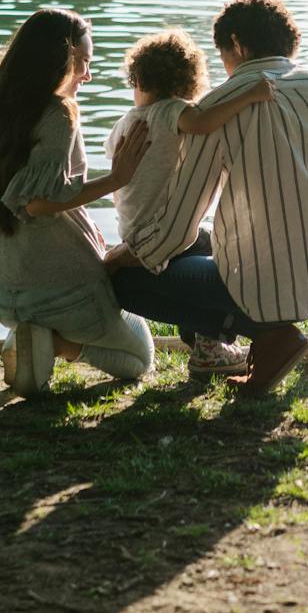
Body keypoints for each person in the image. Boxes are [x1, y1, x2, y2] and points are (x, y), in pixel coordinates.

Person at [108, 0, 308, 396]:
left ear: (236, 45)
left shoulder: (218, 106)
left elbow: (177, 229)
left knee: (128, 282)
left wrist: (122, 256)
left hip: (264, 293)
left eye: (223, 54)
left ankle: (270, 336)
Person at [0, 7, 155, 396]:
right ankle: (53, 343)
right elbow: (36, 202)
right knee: (142, 358)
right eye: (83, 62)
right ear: (57, 61)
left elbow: (27, 199)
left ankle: (31, 337)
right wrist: (118, 178)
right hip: (57, 290)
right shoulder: (59, 115)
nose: (88, 74)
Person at [104, 28, 275, 377]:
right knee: (215, 245)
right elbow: (202, 122)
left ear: (137, 79)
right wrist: (249, 95)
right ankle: (211, 346)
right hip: (159, 233)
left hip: (133, 228)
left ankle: (206, 343)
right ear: (187, 82)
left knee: (205, 242)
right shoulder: (172, 112)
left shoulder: (125, 123)